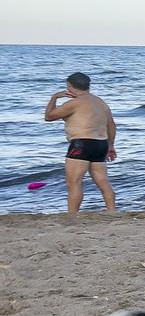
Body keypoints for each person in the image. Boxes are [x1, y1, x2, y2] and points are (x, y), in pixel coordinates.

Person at [43, 72, 116, 213]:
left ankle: (72, 214)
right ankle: (112, 211)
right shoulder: (100, 102)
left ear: (69, 86)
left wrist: (54, 97)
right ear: (88, 86)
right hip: (101, 143)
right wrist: (111, 146)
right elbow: (111, 125)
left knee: (74, 182)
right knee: (103, 181)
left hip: (81, 143)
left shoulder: (74, 103)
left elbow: (48, 116)